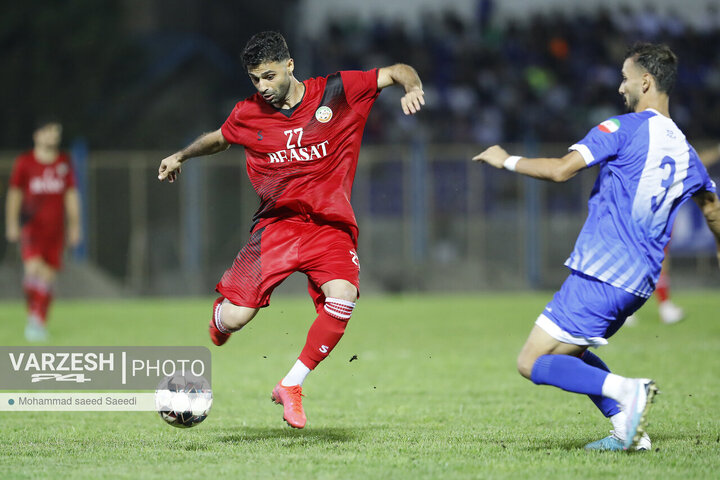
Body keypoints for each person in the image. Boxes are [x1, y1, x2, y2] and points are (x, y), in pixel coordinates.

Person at [157, 31, 424, 429]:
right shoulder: (247, 112)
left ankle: (291, 384)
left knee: (343, 297)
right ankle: (220, 320)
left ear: (289, 65)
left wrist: (413, 86)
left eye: (268, 76)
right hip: (276, 227)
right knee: (236, 317)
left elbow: (396, 71)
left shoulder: (337, 91)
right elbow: (220, 139)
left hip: (328, 226)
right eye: (255, 80)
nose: (262, 87)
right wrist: (181, 155)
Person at [472, 42, 720, 451]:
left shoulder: (623, 129)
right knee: (569, 352)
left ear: (646, 81)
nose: (621, 87)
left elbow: (560, 171)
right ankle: (627, 429)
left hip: (604, 271)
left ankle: (628, 392)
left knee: (531, 361)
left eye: (625, 78)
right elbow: (712, 208)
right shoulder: (685, 150)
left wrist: (506, 160)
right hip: (639, 283)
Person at [5, 119, 82, 342]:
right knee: (33, 269)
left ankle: (39, 321)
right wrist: (11, 223)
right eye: (48, 131)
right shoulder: (25, 162)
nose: (53, 136)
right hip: (32, 228)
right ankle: (33, 319)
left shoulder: (64, 163)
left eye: (56, 132)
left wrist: (75, 226)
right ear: (37, 135)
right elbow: (15, 194)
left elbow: (71, 195)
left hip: (55, 230)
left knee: (48, 276)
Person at [628, 144, 720, 326]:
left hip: (656, 210)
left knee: (649, 258)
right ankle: (656, 307)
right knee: (650, 258)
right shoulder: (662, 150)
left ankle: (649, 307)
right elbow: (696, 161)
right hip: (651, 210)